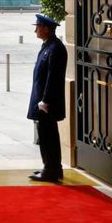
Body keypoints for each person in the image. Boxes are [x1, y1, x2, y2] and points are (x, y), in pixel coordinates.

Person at [27, 14, 67, 182]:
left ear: (46, 29)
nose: (36, 29)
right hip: (42, 100)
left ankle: (51, 169)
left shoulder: (55, 48)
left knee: (48, 135)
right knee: (46, 135)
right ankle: (51, 167)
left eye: (38, 26)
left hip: (47, 102)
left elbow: (53, 77)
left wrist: (46, 100)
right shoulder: (48, 46)